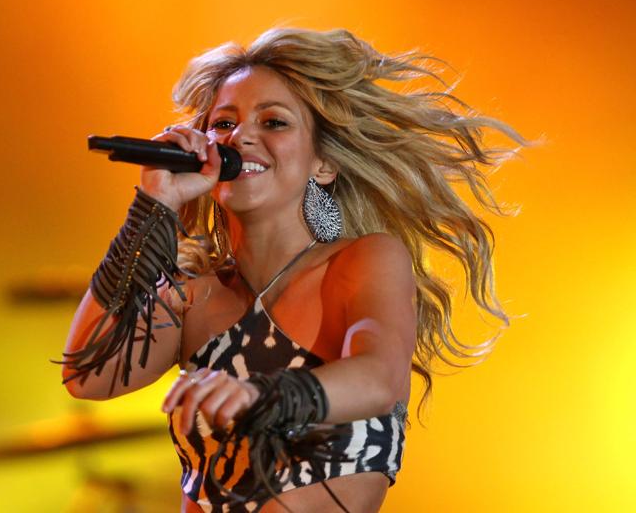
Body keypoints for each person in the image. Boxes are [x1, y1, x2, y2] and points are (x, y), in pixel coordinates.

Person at [57, 27, 532, 512]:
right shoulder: (192, 298)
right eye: (223, 124)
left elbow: (377, 379)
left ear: (322, 164)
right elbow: (87, 374)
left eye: (274, 122)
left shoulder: (361, 261)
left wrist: (258, 396)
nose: (241, 136)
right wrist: (153, 204)